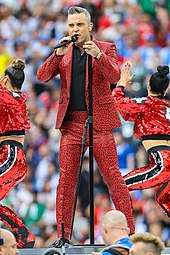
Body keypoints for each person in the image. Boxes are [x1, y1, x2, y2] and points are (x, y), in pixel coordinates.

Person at [37, 6, 135, 247]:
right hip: (72, 124)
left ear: (89, 26)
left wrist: (99, 57)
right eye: (71, 25)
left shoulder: (105, 48)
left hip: (99, 123)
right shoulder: (65, 52)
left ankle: (131, 234)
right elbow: (42, 76)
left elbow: (114, 78)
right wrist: (57, 55)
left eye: (79, 25)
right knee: (66, 181)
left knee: (113, 177)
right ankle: (62, 236)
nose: (75, 29)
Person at [112, 63, 170, 217]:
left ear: (148, 86)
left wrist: (120, 85)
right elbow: (129, 115)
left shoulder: (147, 103)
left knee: (120, 186)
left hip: (164, 163)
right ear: (165, 90)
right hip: (166, 162)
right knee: (164, 199)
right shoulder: (166, 107)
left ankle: (126, 229)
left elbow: (119, 104)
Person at [0, 59, 35, 248]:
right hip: (13, 157)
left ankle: (22, 234)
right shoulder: (17, 99)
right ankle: (24, 235)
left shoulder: (11, 97)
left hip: (10, 155)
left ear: (5, 79)